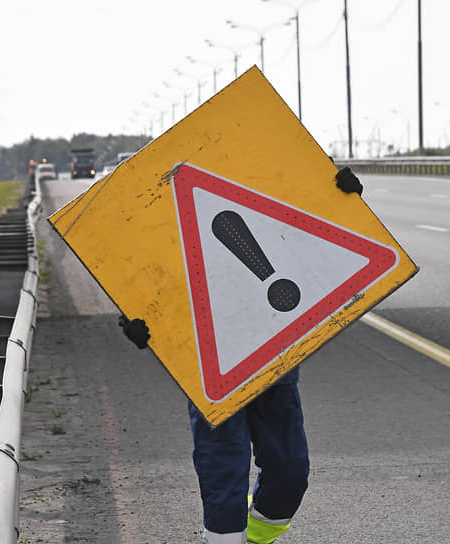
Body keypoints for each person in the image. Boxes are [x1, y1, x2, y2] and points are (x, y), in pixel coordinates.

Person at [119, 167, 364, 543]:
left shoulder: (265, 159)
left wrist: (340, 199)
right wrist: (136, 313)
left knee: (290, 474)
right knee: (223, 473)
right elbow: (144, 254)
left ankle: (255, 538)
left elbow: (312, 226)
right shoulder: (173, 182)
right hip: (210, 362)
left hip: (273, 353)